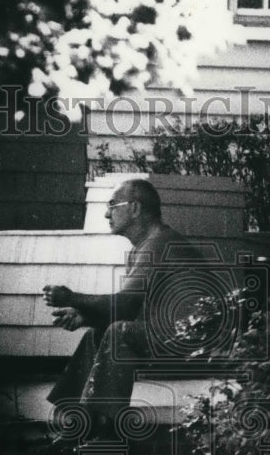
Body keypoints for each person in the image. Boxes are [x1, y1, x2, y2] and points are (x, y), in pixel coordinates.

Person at [43, 178, 199, 441]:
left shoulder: (158, 244)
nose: (106, 213)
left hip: (191, 342)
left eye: (113, 205)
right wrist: (85, 317)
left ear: (136, 208)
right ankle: (77, 424)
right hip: (168, 336)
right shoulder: (146, 246)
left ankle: (106, 431)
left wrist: (72, 297)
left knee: (119, 333)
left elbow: (125, 304)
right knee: (99, 332)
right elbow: (131, 307)